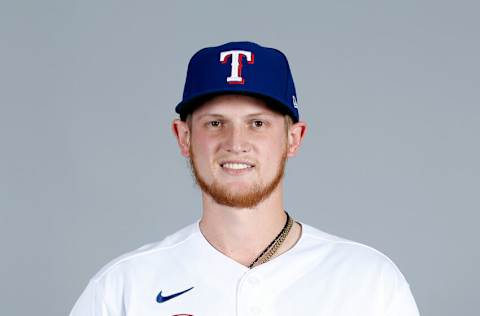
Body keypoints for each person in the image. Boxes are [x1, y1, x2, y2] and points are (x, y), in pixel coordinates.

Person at [69, 41, 420, 316]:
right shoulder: (123, 287)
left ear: (294, 138)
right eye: (215, 123)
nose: (236, 143)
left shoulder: (368, 281)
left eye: (258, 123)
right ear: (183, 137)